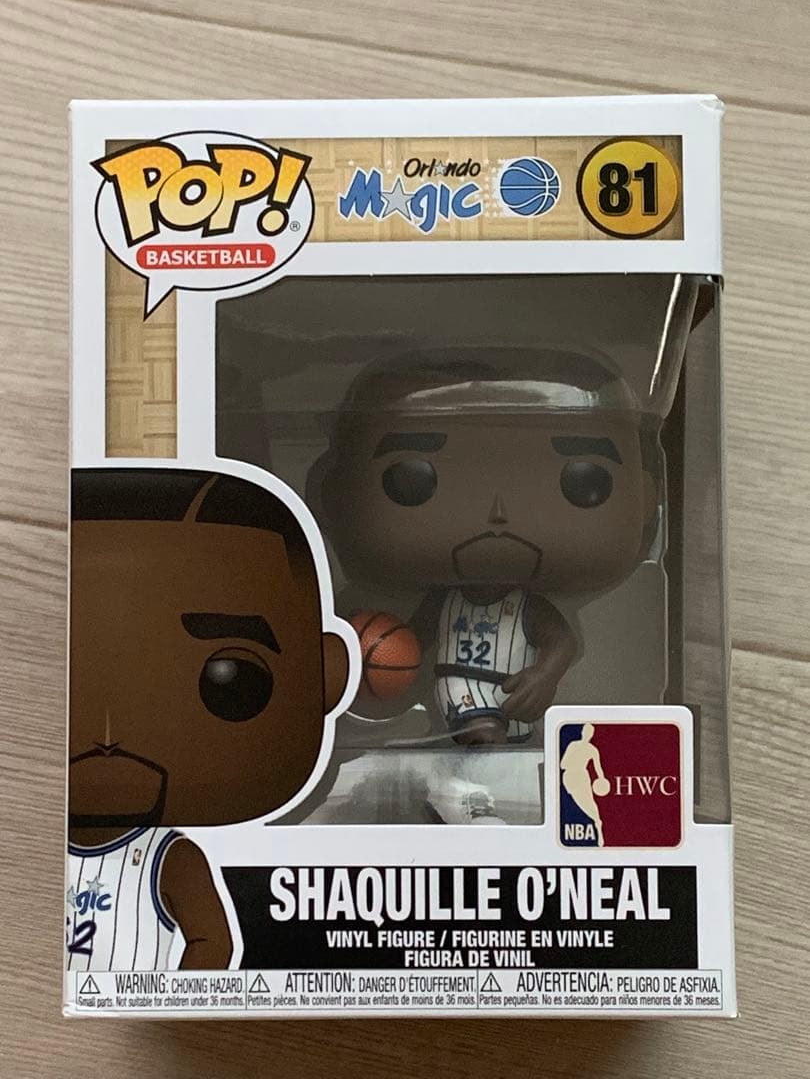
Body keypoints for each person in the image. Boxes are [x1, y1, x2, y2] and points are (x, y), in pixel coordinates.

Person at [311, 348, 657, 821]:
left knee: (484, 741)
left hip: (505, 696)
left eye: (585, 480)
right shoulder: (444, 600)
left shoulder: (524, 606)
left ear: (647, 498)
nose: (497, 513)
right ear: (333, 493)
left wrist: (544, 676)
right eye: (411, 479)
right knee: (473, 743)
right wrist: (370, 653)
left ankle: (475, 795)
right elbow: (415, 640)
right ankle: (470, 796)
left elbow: (561, 642)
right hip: (455, 699)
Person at [67, 467, 350, 971]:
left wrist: (166, 1001)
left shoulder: (170, 859)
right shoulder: (28, 842)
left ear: (323, 674)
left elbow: (213, 943)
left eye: (230, 681)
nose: (108, 737)